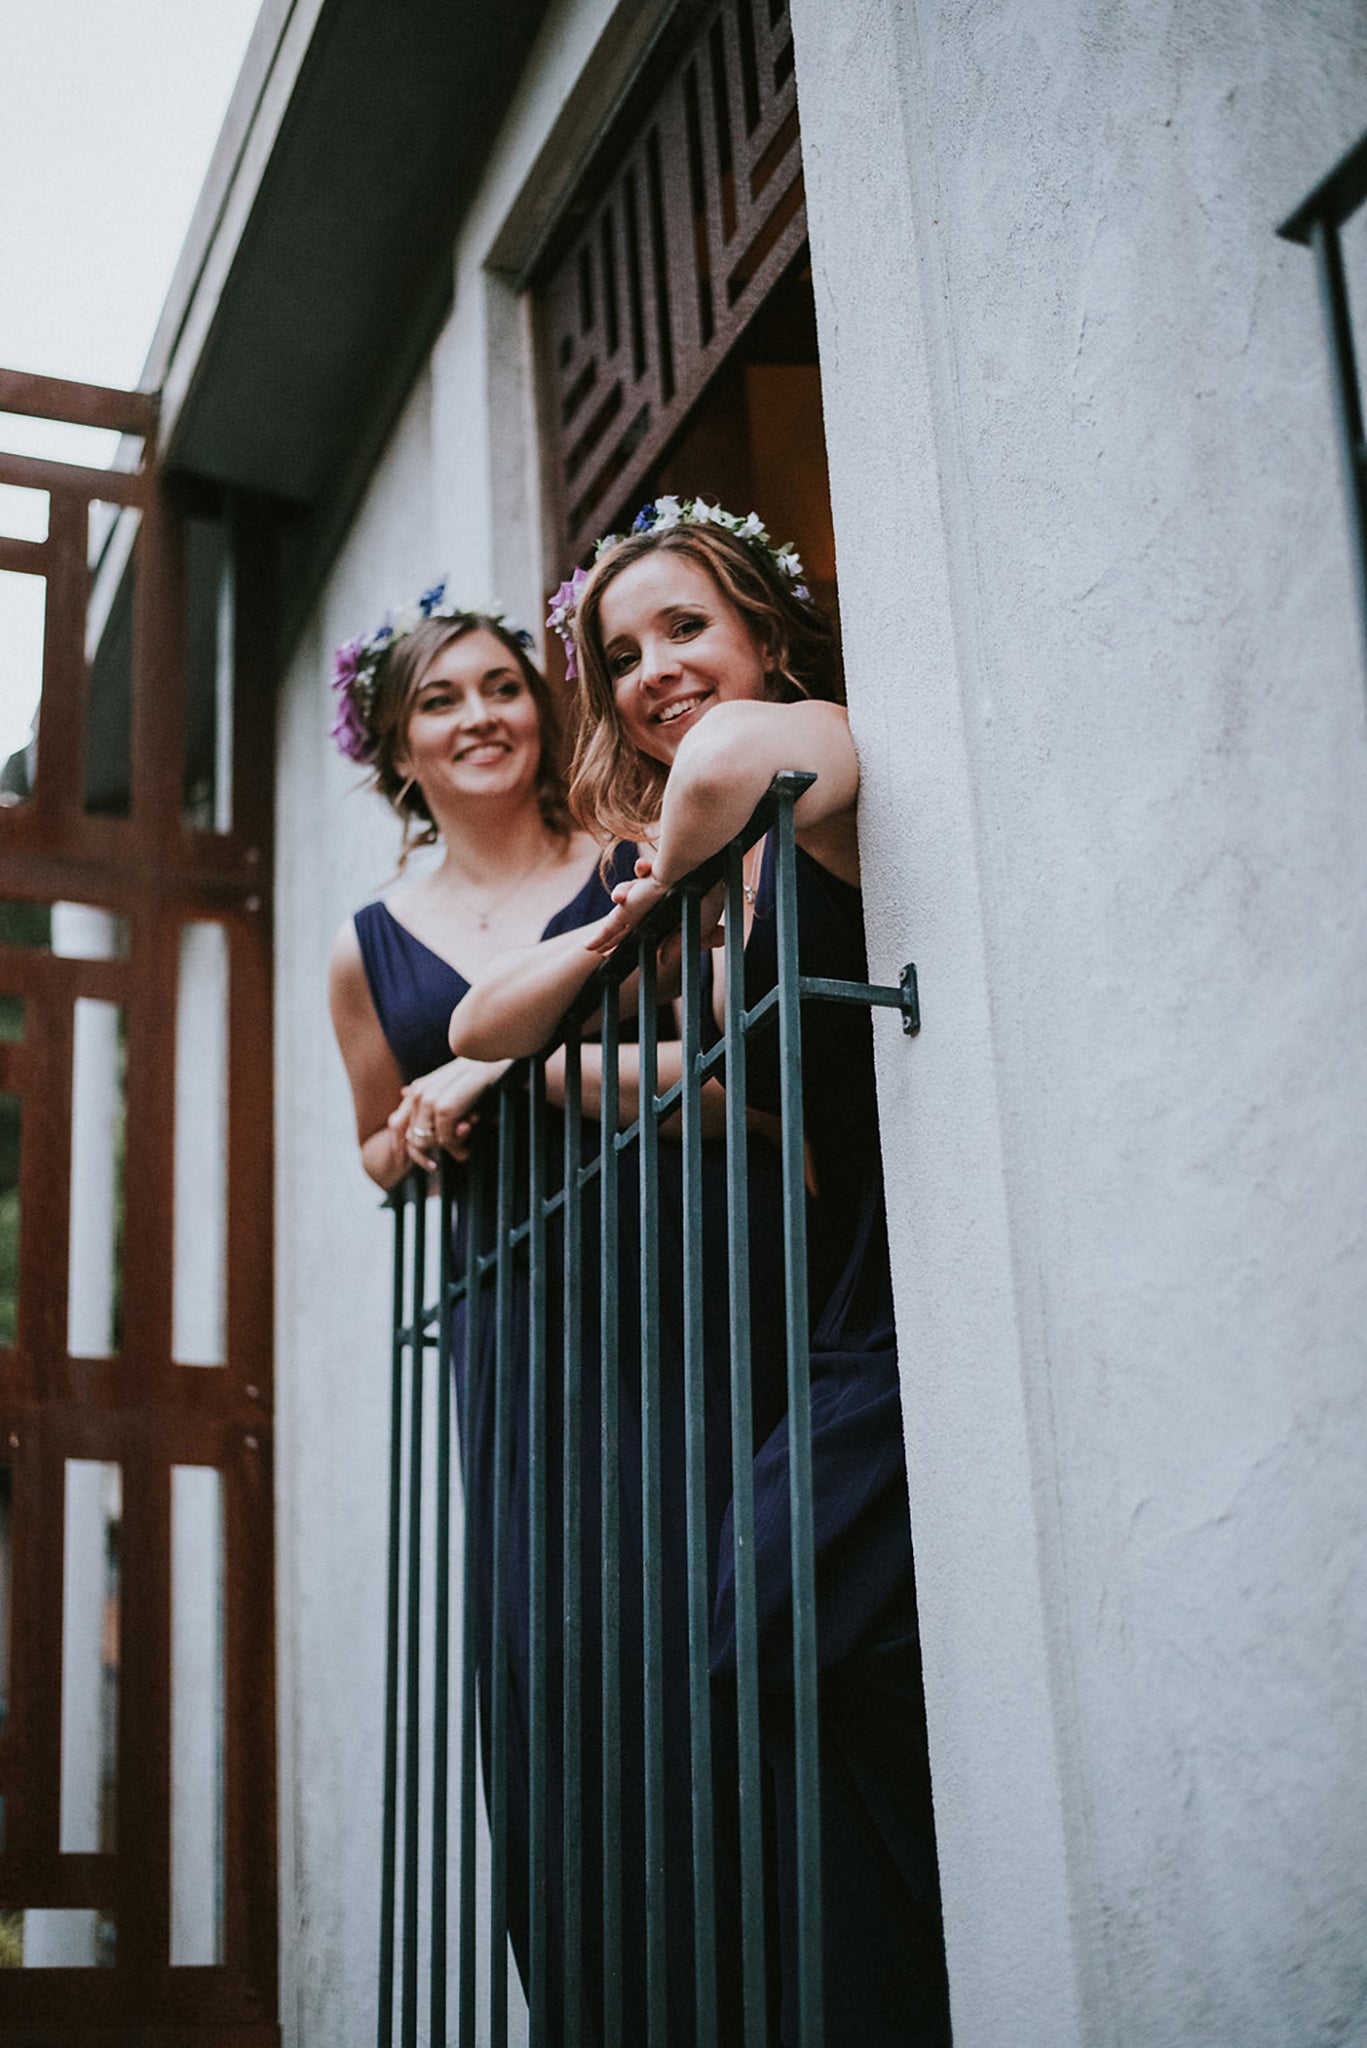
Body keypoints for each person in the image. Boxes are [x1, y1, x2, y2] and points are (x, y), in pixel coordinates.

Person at [459, 499, 952, 2045]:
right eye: (619, 654)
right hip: (845, 1283)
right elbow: (483, 1022)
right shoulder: (717, 871)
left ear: (762, 632)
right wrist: (531, 1071)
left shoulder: (806, 754)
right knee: (763, 1642)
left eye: (685, 629)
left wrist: (645, 896)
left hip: (926, 1265)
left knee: (788, 1618)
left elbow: (735, 758)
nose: (654, 670)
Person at [327, 584, 619, 2034]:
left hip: (670, 1267)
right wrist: (416, 1140)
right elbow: (378, 1150)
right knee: (550, 1648)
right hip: (512, 1313)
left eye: (501, 687)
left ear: (539, 705)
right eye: (441, 701)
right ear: (399, 748)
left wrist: (496, 1072)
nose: (480, 717)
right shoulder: (366, 942)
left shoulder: (629, 860)